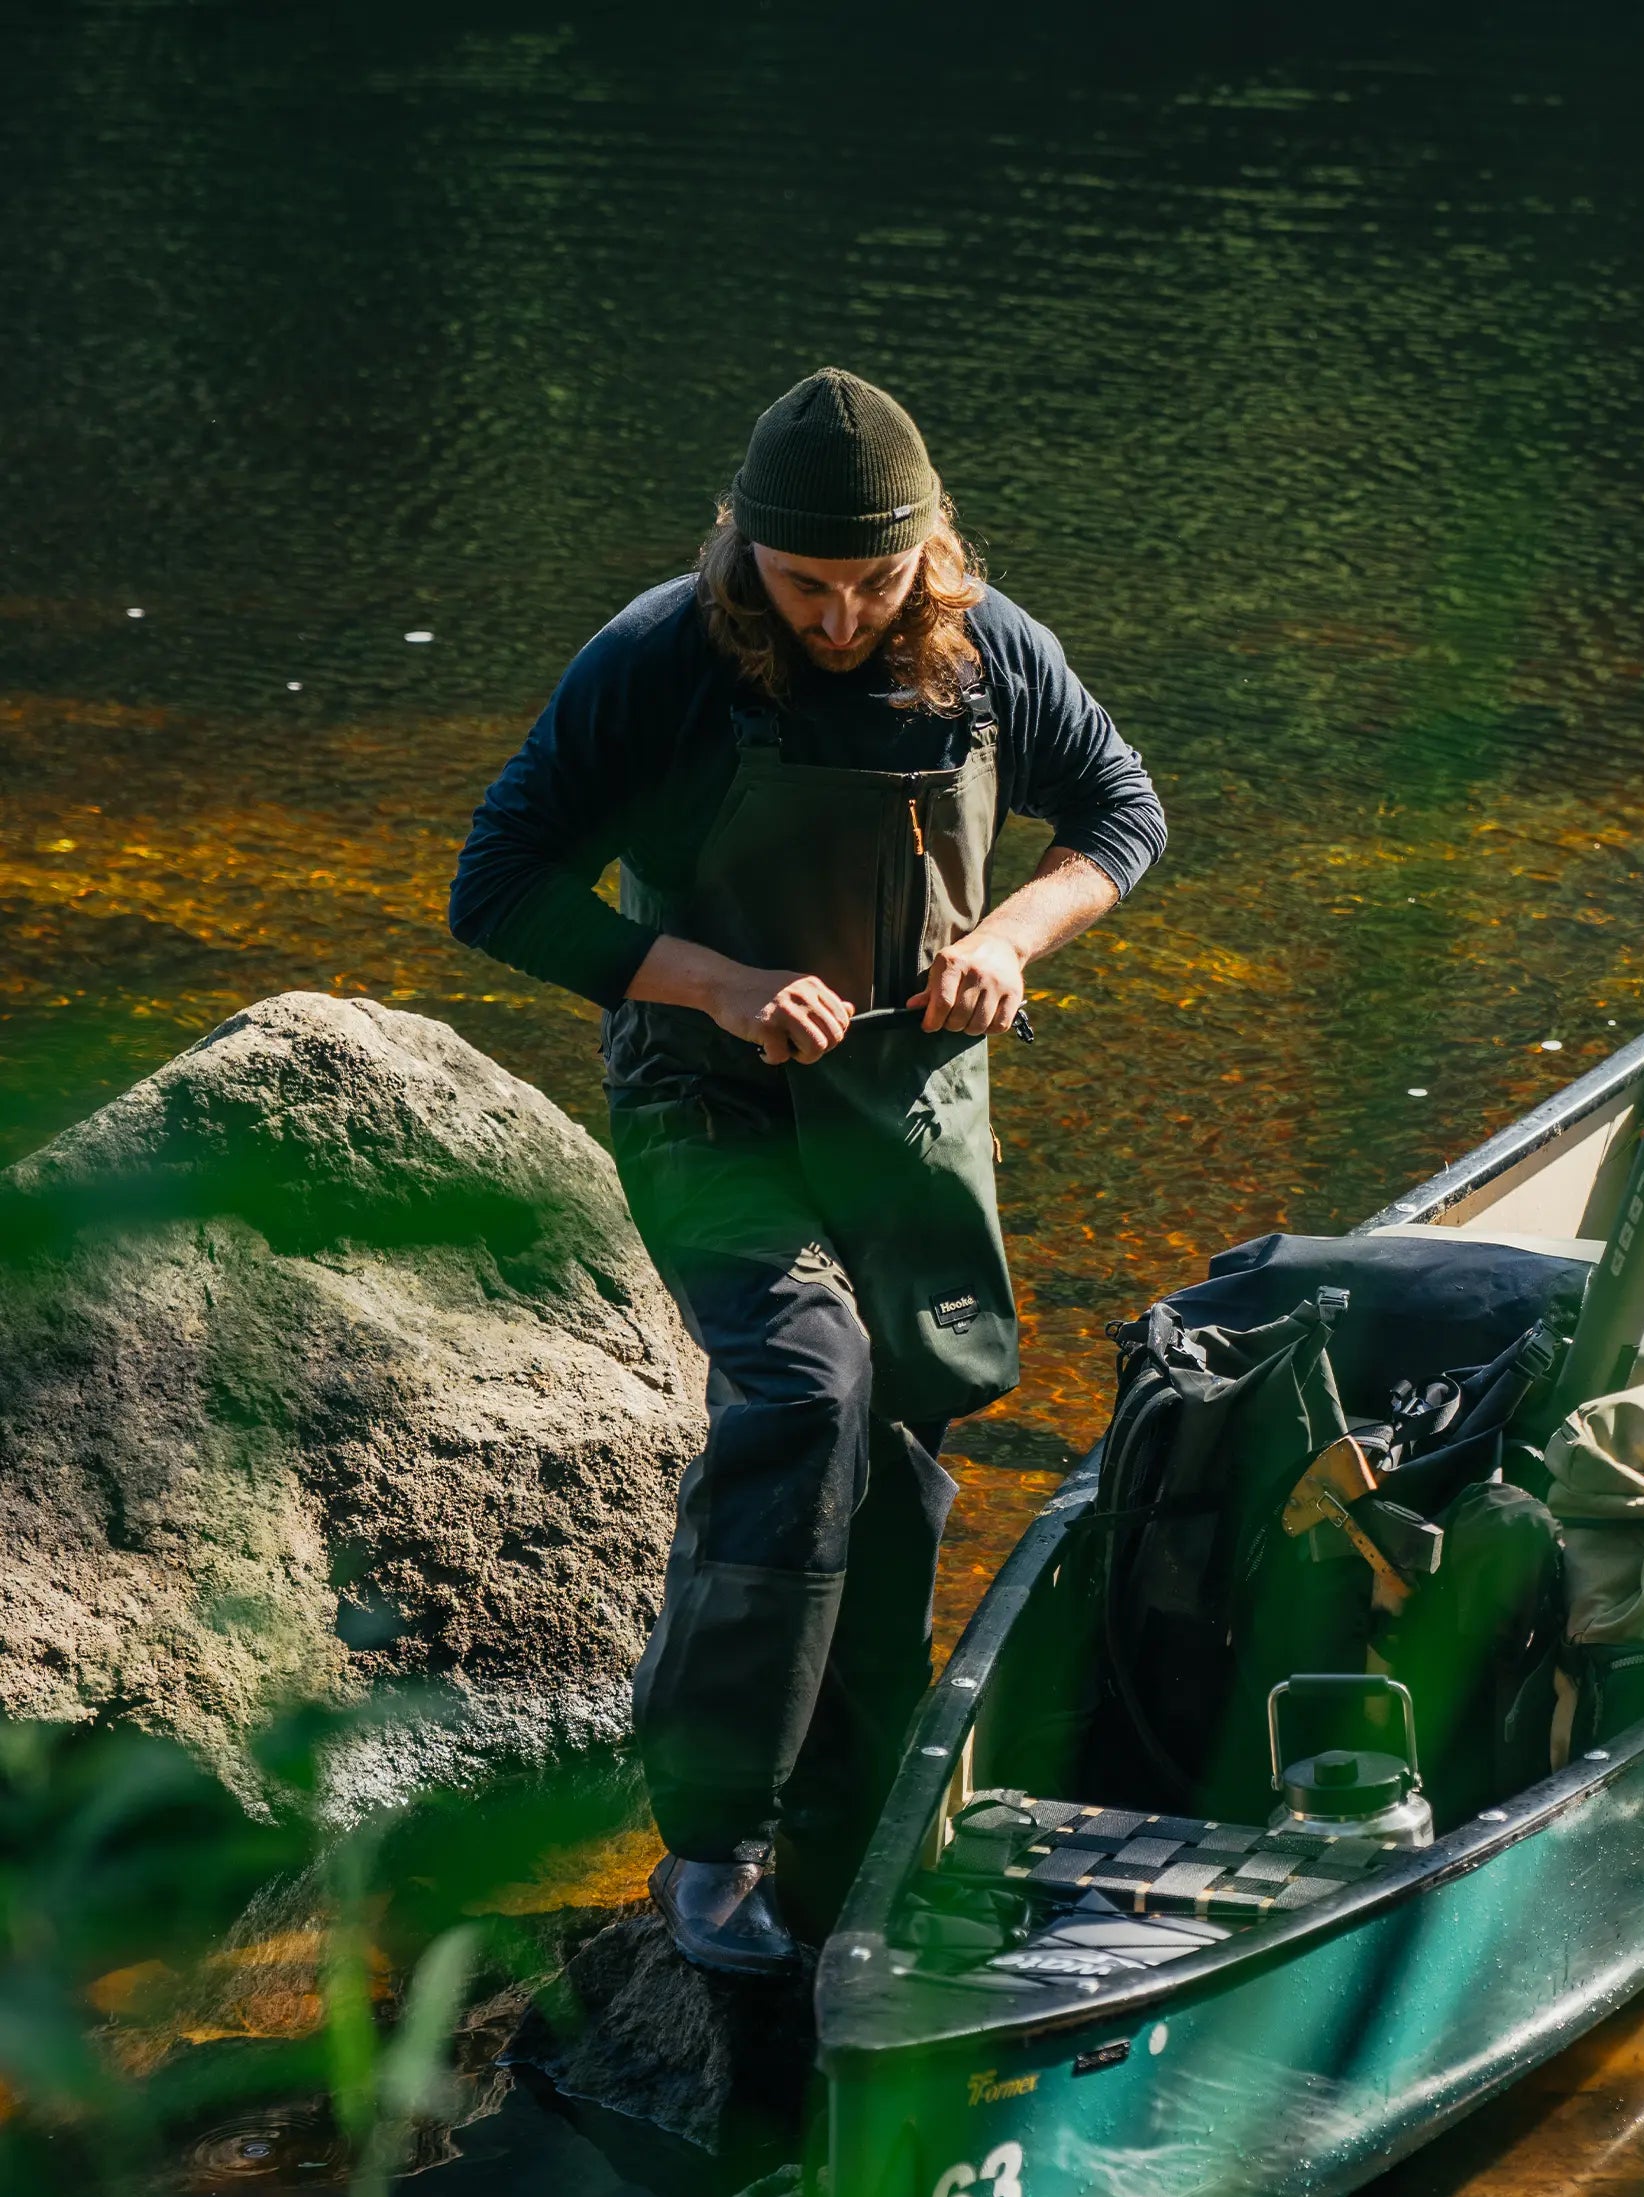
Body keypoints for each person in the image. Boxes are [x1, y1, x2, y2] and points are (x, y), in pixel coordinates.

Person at [448, 369, 1165, 1975]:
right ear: (745, 555)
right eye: (806, 584)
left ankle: (857, 1831)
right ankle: (712, 1846)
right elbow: (495, 888)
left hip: (908, 1110)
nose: (841, 618)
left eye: (875, 582)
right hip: (709, 1106)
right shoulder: (656, 665)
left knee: (906, 1430)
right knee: (802, 1388)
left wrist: (1007, 940)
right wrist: (714, 984)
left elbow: (1122, 814)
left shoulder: (993, 659)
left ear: (930, 553)